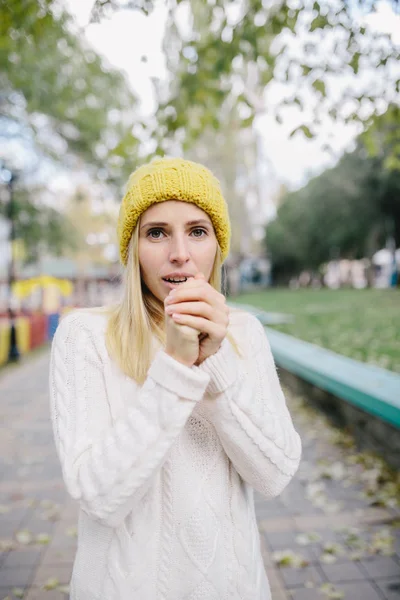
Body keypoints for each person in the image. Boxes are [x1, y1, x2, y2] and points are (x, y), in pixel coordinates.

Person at [49, 157, 301, 600]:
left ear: (217, 247)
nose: (179, 252)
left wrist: (215, 369)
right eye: (157, 232)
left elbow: (275, 474)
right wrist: (175, 367)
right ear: (133, 248)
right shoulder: (84, 336)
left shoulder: (244, 334)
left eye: (198, 231)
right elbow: (98, 496)